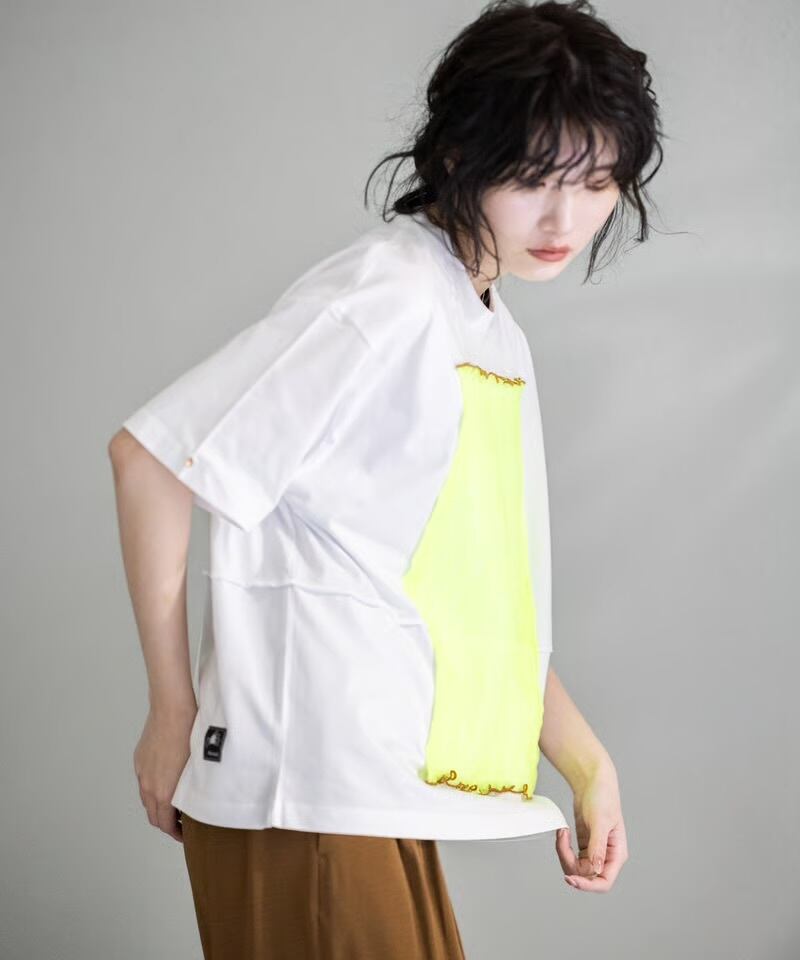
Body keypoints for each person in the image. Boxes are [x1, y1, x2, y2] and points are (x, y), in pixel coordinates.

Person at [109, 0, 663, 956]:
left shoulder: (485, 325)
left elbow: (474, 603)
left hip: (370, 791)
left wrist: (586, 761)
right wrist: (172, 714)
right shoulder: (387, 297)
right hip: (301, 788)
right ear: (458, 156)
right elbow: (152, 460)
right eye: (533, 178)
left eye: (597, 181)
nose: (565, 219)